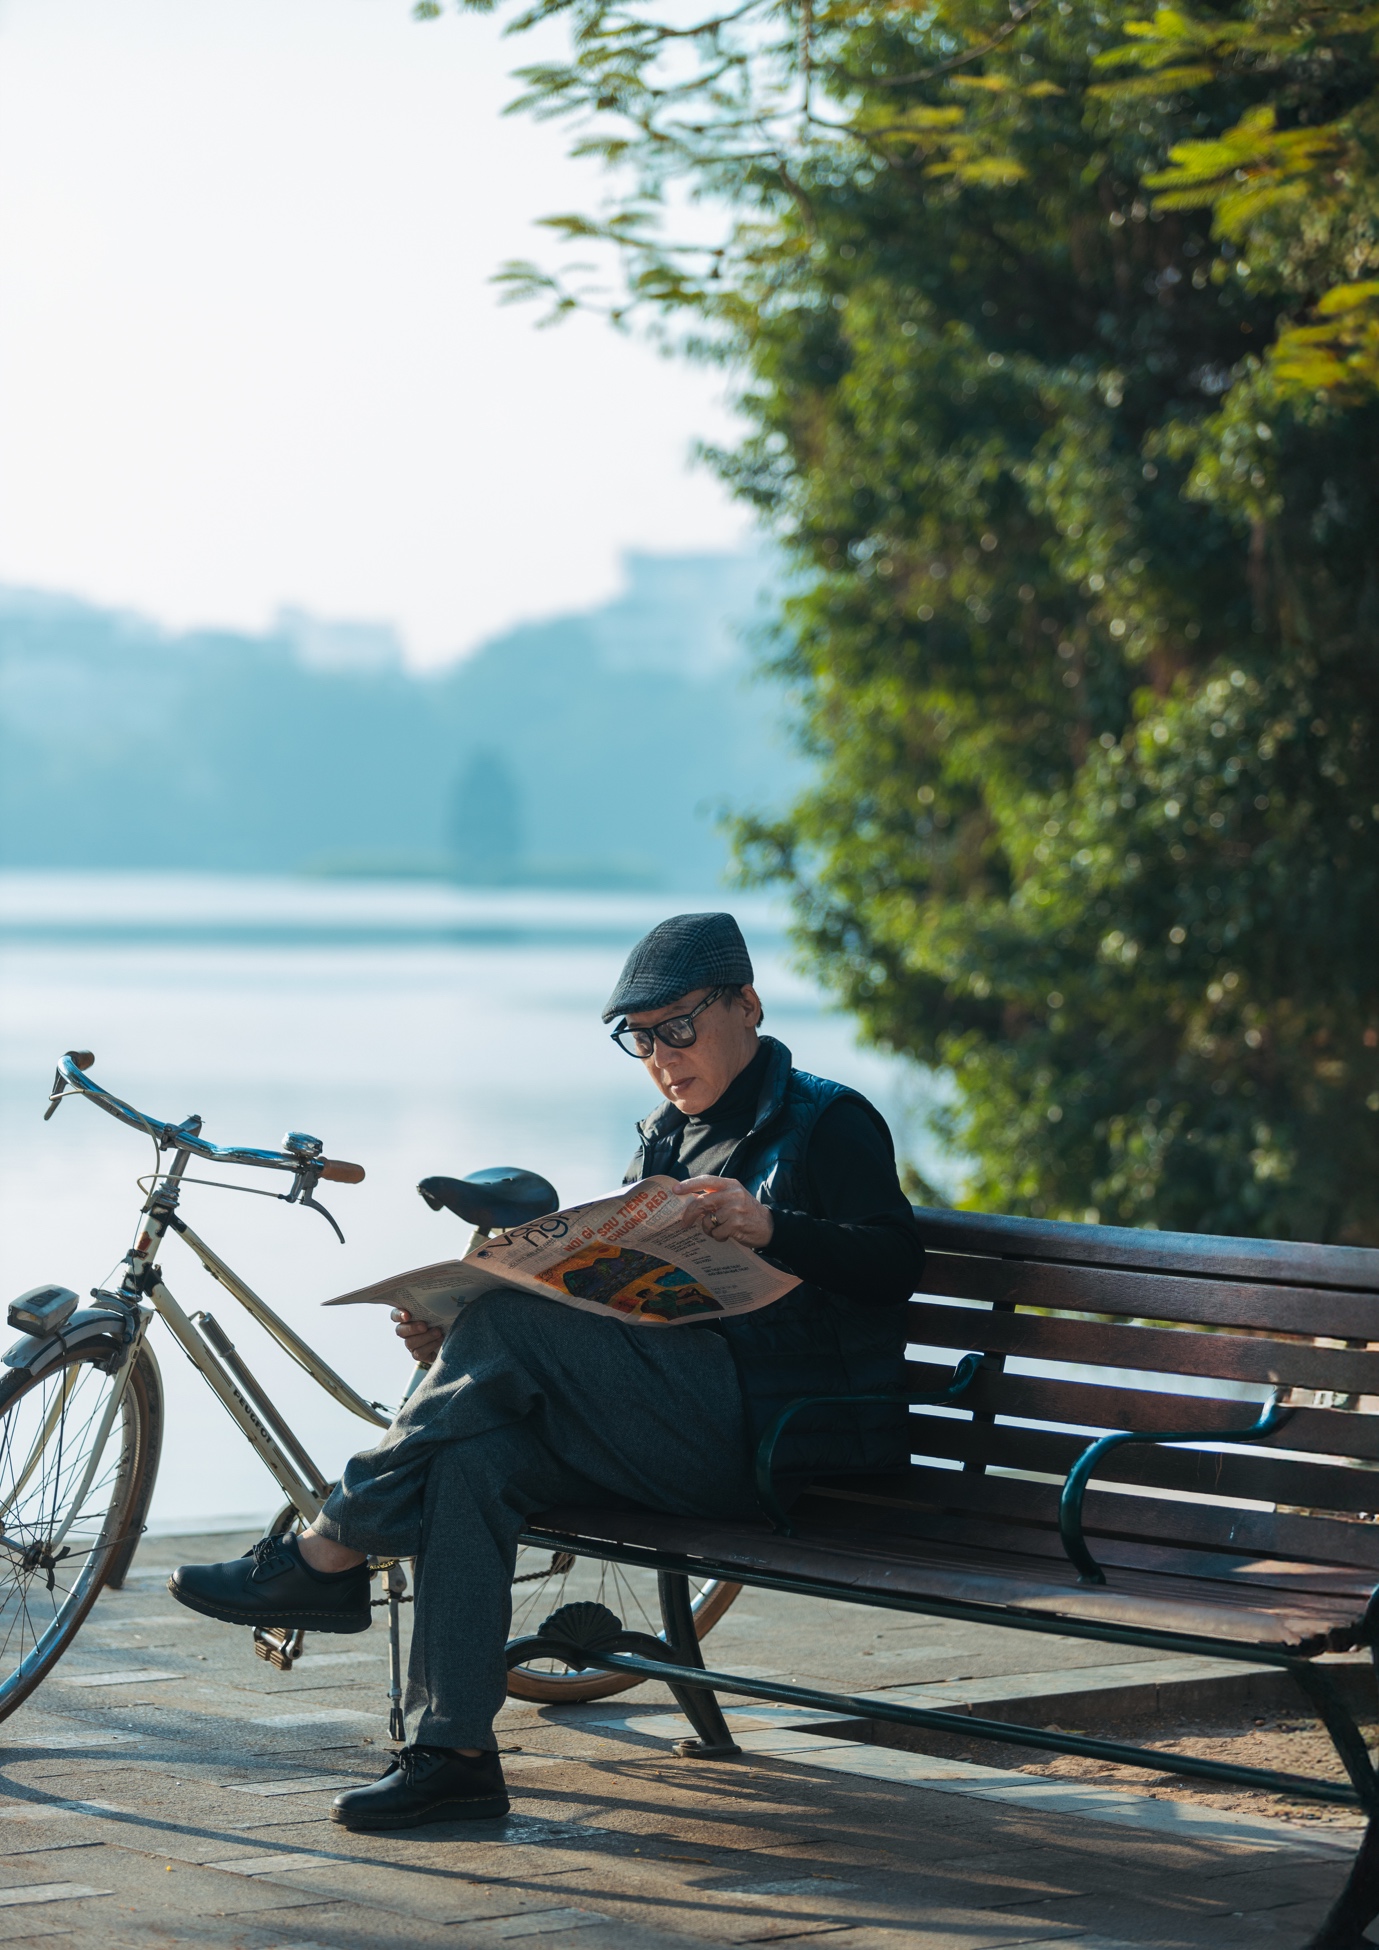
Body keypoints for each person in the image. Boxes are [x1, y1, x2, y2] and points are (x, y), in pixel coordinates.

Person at [168, 912, 924, 1831]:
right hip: (669, 1424)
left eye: (677, 1029)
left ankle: (329, 1548)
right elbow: (621, 1314)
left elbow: (895, 1269)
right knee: (471, 1458)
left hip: (777, 1442)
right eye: (637, 1039)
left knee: (511, 1324)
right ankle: (452, 1755)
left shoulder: (828, 1122)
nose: (659, 1057)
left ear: (748, 1006)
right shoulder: (665, 1139)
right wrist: (455, 1345)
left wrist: (773, 1228)